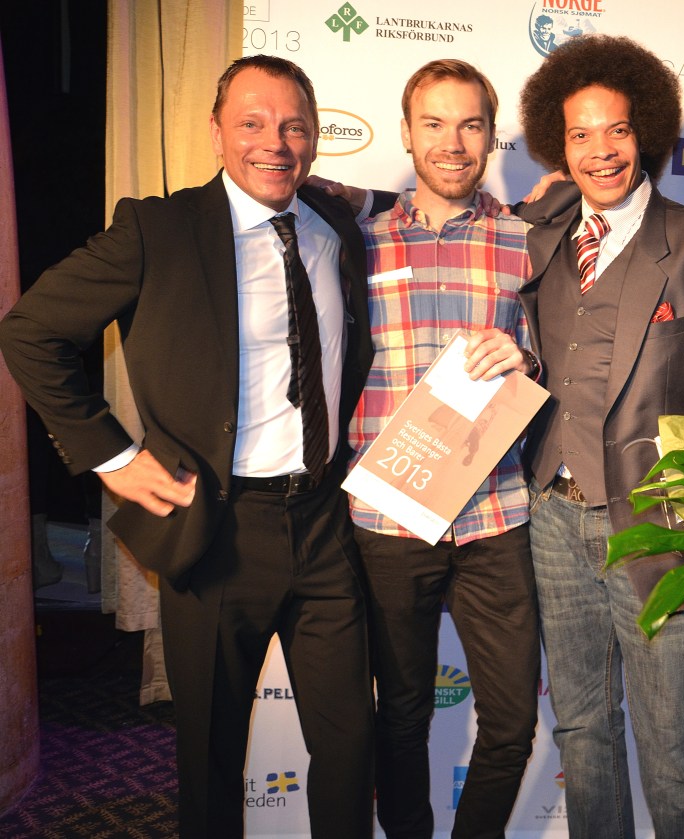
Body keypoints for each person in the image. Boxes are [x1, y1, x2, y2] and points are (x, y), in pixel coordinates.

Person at [0, 55, 376, 838]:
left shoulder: (334, 225)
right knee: (212, 757)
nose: (274, 142)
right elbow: (30, 331)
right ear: (215, 131)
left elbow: (418, 210)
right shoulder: (158, 230)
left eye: (294, 126)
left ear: (314, 137)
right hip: (215, 530)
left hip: (324, 525)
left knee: (350, 748)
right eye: (252, 123)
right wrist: (112, 456)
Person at [516, 34, 684, 838]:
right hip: (553, 516)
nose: (601, 151)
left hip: (661, 529)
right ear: (559, 147)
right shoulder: (541, 234)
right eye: (580, 134)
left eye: (617, 130)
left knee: (675, 746)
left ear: (645, 131)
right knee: (583, 730)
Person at [346, 59, 540, 839]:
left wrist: (529, 357)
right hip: (388, 517)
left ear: (491, 137)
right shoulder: (354, 243)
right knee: (399, 715)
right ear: (405, 132)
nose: (452, 142)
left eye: (469, 124)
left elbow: (557, 353)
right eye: (433, 123)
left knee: (512, 721)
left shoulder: (530, 243)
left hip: (496, 512)